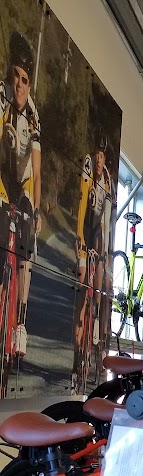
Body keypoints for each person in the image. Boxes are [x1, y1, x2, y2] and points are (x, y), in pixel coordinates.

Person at [0, 32, 41, 357]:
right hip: (2, 176)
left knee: (26, 252)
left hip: (24, 182)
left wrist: (36, 210)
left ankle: (21, 323)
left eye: (24, 79)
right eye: (15, 76)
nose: (18, 84)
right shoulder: (1, 96)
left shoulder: (34, 116)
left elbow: (37, 171)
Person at [72, 135, 114, 384]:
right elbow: (81, 205)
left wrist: (104, 252)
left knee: (100, 279)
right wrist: (79, 237)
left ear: (105, 159)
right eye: (97, 155)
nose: (98, 160)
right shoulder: (87, 166)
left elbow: (105, 222)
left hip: (97, 232)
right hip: (84, 229)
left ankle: (96, 316)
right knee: (81, 285)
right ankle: (77, 353)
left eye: (102, 156)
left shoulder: (107, 180)